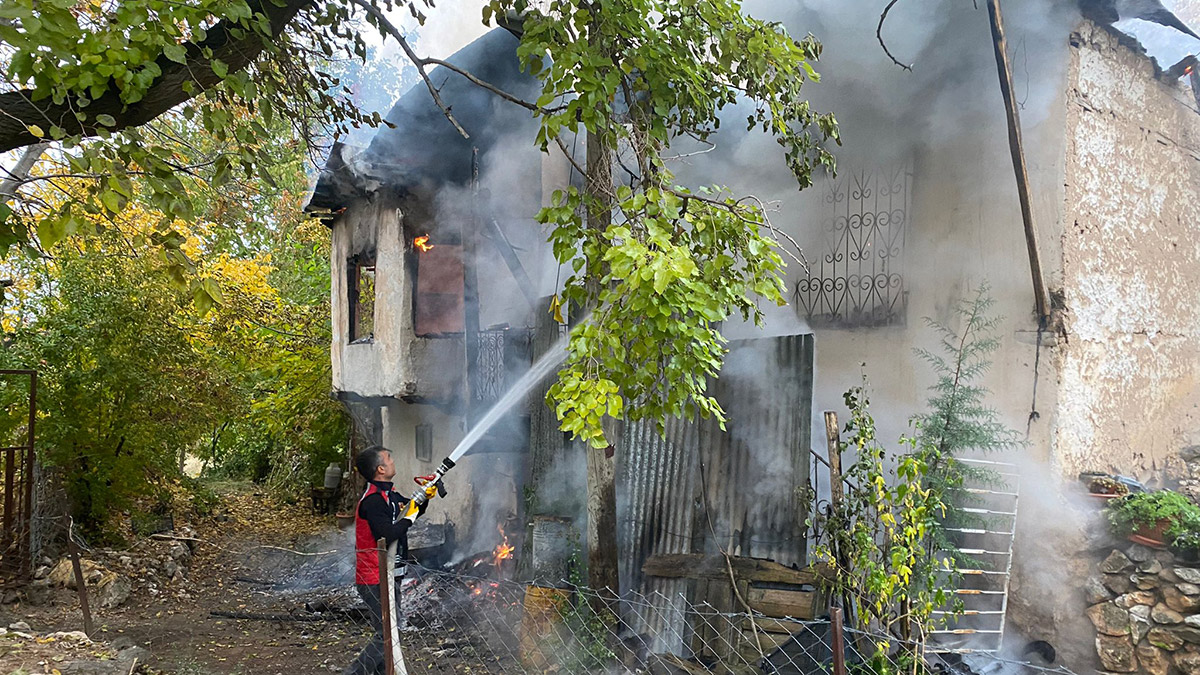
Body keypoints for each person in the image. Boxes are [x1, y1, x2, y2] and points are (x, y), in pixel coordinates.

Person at [344, 445, 427, 675]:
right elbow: (387, 534)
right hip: (374, 577)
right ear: (380, 469)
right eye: (389, 458)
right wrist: (409, 518)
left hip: (390, 574)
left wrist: (426, 495)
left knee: (390, 631)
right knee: (387, 635)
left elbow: (412, 509)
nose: (393, 461)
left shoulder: (388, 495)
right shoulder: (373, 501)